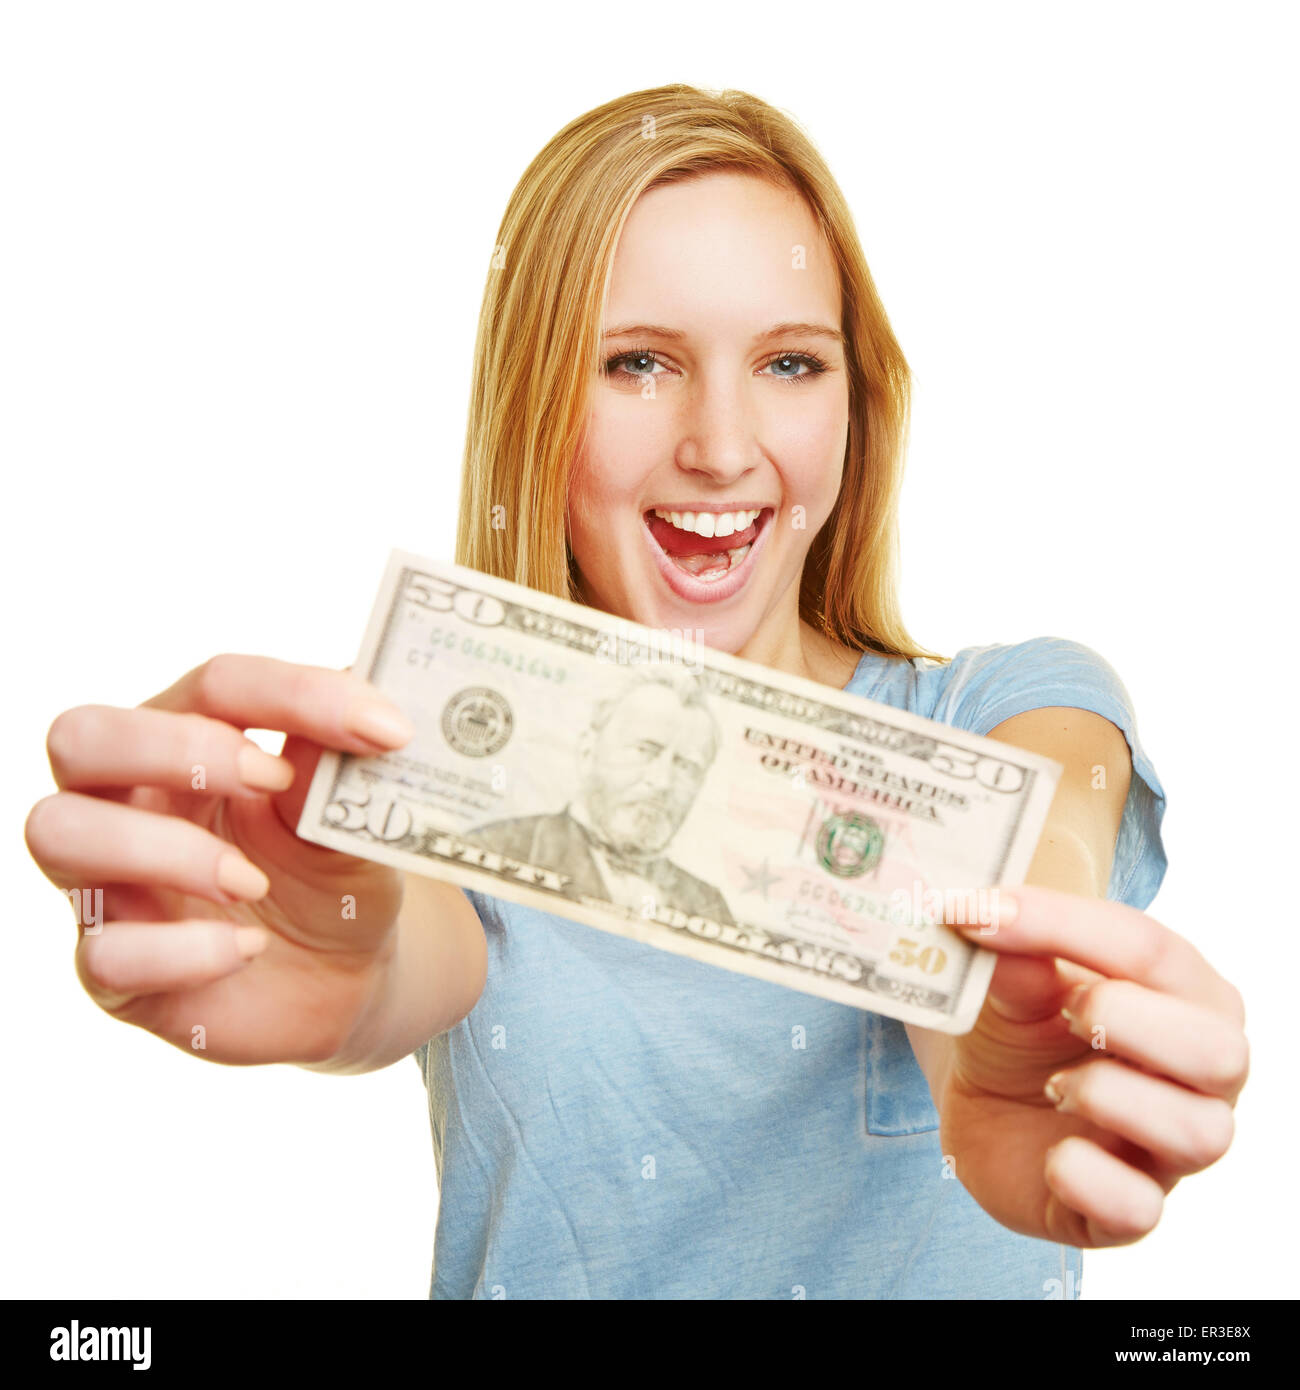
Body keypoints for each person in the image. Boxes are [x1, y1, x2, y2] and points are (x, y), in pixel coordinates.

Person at [25, 84, 1247, 1299]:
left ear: (855, 408)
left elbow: (1038, 848)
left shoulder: (1011, 703)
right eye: (639, 362)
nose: (720, 444)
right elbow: (399, 952)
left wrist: (1009, 1011)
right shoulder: (443, 764)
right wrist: (333, 946)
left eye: (787, 361)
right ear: (536, 404)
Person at [468, 668, 735, 923]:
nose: (662, 781)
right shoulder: (490, 848)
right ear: (587, 753)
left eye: (686, 766)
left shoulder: (710, 906)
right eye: (645, 750)